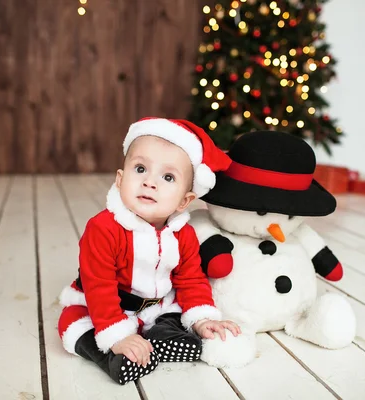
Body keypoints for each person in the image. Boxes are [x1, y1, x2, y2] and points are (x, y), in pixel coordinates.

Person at [57, 117, 241, 385]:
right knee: (74, 325)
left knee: (173, 316)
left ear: (184, 201)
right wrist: (117, 334)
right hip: (104, 307)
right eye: (140, 168)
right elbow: (99, 286)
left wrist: (202, 318)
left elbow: (191, 279)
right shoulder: (103, 228)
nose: (150, 182)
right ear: (120, 180)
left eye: (168, 177)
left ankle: (162, 338)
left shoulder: (183, 235)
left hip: (156, 306)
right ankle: (112, 357)